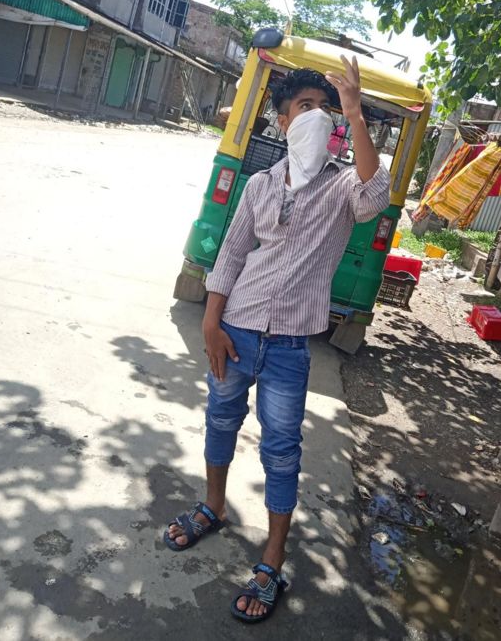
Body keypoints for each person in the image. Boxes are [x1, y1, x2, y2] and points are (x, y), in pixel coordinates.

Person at [163, 57, 390, 623]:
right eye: (304, 108)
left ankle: (271, 560)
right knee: (220, 419)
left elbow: (376, 194)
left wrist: (355, 112)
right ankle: (213, 507)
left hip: (289, 346)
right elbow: (233, 254)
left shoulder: (342, 186)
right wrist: (211, 322)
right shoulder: (261, 185)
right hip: (236, 330)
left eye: (324, 109)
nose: (317, 116)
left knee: (282, 450)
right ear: (283, 122)